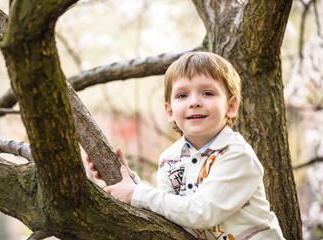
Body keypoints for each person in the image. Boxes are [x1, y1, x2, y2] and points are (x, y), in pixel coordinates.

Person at [86, 52, 285, 240]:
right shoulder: (170, 159)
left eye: (207, 93)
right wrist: (129, 183)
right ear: (170, 111)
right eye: (182, 95)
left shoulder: (236, 155)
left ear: (231, 106)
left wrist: (137, 194)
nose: (194, 102)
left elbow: (202, 213)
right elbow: (168, 212)